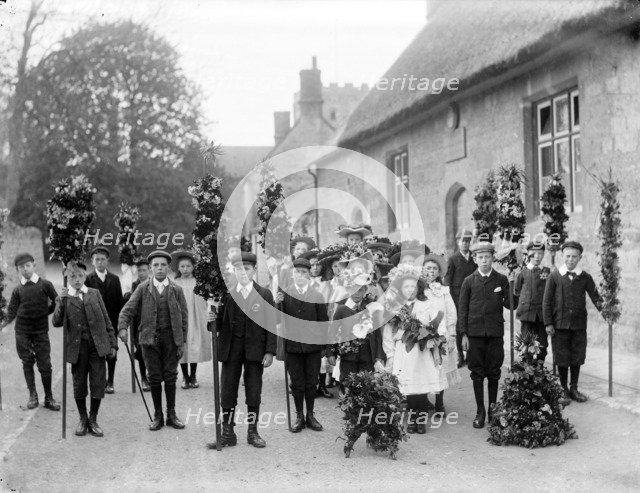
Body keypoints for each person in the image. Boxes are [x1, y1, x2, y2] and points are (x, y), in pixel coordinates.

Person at [208, 252, 277, 449]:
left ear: (254, 270)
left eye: (246, 268)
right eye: (239, 269)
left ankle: (252, 432)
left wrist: (270, 351)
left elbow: (270, 324)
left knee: (254, 389)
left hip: (255, 348)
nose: (243, 272)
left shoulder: (264, 294)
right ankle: (228, 433)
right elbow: (217, 324)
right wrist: (211, 317)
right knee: (228, 389)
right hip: (231, 348)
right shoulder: (227, 294)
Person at [118, 250, 190, 431]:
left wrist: (181, 342)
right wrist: (122, 327)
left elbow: (184, 318)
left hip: (171, 340)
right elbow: (128, 310)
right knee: (155, 377)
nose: (159, 268)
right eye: (156, 265)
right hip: (149, 340)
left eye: (163, 265)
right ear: (150, 269)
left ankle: (171, 414)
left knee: (171, 376)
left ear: (168, 268)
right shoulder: (142, 289)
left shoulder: (177, 290)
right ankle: (158, 415)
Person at [52, 261, 117, 437]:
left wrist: (113, 343)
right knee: (79, 384)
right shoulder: (64, 298)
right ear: (67, 278)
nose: (77, 279)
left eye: (80, 275)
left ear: (85, 276)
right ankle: (82, 418)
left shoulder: (94, 294)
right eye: (72, 276)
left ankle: (93, 419)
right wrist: (61, 302)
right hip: (77, 348)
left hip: (97, 346)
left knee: (98, 383)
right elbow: (56, 322)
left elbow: (106, 319)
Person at [458, 242, 515, 429]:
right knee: (477, 373)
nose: (484, 261)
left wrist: (513, 284)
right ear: (475, 259)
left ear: (493, 258)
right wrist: (464, 335)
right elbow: (462, 310)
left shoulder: (501, 279)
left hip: (494, 333)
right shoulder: (469, 281)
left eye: (487, 257)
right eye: (480, 257)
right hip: (474, 335)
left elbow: (510, 305)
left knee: (493, 373)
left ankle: (492, 409)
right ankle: (480, 411)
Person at [383, 266, 442, 434]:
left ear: (419, 287)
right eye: (406, 287)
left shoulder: (427, 304)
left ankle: (421, 420)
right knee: (409, 387)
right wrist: (390, 353)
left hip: (421, 350)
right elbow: (389, 333)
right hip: (404, 350)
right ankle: (412, 419)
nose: (410, 290)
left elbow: (435, 325)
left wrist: (430, 335)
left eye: (413, 286)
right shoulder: (396, 308)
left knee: (421, 386)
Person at [543, 241, 603, 405]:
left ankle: (574, 387)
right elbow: (547, 301)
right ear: (563, 256)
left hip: (578, 325)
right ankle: (563, 388)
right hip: (559, 325)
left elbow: (596, 297)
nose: (571, 260)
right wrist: (548, 323)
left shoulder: (585, 277)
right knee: (562, 357)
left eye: (574, 257)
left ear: (580, 257)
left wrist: (606, 311)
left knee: (577, 356)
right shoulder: (554, 276)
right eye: (568, 256)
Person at [275, 257, 329, 432]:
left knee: (311, 382)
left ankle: (310, 415)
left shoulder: (317, 296)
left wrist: (325, 348)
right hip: (293, 346)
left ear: (309, 275)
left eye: (304, 272)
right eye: (297, 272)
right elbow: (276, 320)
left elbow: (323, 323)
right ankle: (299, 415)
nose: (300, 275)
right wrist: (277, 304)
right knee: (297, 383)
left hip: (312, 347)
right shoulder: (285, 294)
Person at [0, 253, 59, 410]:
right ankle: (33, 396)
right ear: (18, 270)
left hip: (40, 331)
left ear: (34, 265)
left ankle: (49, 398)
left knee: (45, 364)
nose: (25, 270)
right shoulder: (18, 290)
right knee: (27, 362)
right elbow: (12, 311)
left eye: (27, 266)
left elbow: (56, 301)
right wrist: (2, 324)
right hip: (22, 331)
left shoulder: (45, 285)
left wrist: (45, 311)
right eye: (21, 267)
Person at [421, 254, 460, 413]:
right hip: (422, 334)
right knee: (424, 367)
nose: (431, 271)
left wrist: (451, 335)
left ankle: (439, 402)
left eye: (434, 268)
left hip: (441, 334)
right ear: (423, 270)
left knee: (440, 367)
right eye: (428, 268)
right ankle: (423, 400)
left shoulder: (444, 291)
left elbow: (451, 313)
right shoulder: (418, 290)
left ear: (438, 272)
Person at [327, 284, 385, 390]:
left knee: (366, 386)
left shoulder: (371, 308)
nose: (357, 294)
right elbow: (332, 332)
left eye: (360, 290)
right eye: (353, 290)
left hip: (367, 356)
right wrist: (331, 353)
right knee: (348, 384)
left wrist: (379, 355)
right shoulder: (342, 309)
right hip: (348, 356)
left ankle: (364, 406)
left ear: (365, 291)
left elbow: (377, 334)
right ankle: (347, 405)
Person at [85, 246, 124, 394]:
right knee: (96, 353)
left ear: (107, 261)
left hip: (111, 322)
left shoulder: (114, 279)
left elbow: (120, 302)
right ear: (92, 262)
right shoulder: (88, 279)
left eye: (103, 259)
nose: (100, 262)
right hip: (94, 323)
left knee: (112, 353)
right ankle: (99, 381)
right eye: (97, 260)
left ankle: (111, 381)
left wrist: (121, 325)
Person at [171, 250, 212, 390]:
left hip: (194, 318)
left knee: (194, 346)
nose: (185, 269)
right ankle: (185, 376)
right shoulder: (174, 283)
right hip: (181, 318)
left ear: (193, 267)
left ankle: (193, 375)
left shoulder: (198, 282)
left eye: (188, 266)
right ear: (178, 268)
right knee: (182, 346)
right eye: (182, 266)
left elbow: (204, 301)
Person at [444, 229, 477, 368]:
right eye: (462, 241)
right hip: (457, 297)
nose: (465, 244)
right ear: (458, 242)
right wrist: (448, 297)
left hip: (472, 296)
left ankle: (470, 354)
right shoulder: (453, 259)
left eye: (467, 241)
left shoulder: (474, 258)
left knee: (470, 324)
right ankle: (460, 355)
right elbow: (448, 280)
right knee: (459, 326)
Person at [514, 241, 550, 363]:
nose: (537, 256)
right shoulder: (522, 272)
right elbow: (517, 290)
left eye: (540, 254)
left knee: (542, 343)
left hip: (542, 315)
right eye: (534, 254)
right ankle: (526, 371)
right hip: (527, 313)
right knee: (526, 343)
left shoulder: (546, 271)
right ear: (528, 255)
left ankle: (540, 371)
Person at [123, 258, 151, 391]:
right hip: (137, 325)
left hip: (151, 323)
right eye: (139, 270)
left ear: (149, 270)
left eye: (144, 270)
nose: (141, 273)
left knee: (151, 352)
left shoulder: (153, 284)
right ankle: (143, 378)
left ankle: (152, 376)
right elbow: (128, 306)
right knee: (140, 353)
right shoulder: (132, 286)